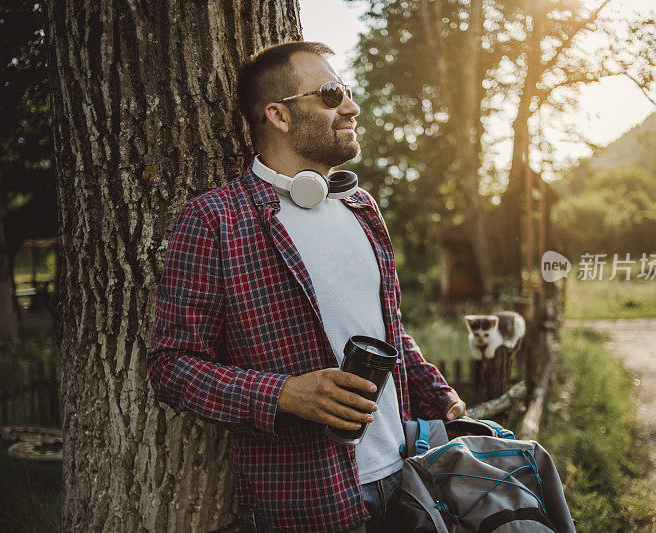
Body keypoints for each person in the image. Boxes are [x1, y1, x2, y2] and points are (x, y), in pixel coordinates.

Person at [146, 41, 466, 533]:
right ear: (278, 114)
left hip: (407, 479)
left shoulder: (362, 208)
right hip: (306, 506)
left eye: (348, 92)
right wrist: (284, 394)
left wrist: (441, 398)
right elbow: (171, 366)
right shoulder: (214, 220)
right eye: (331, 94)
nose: (351, 106)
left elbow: (388, 329)